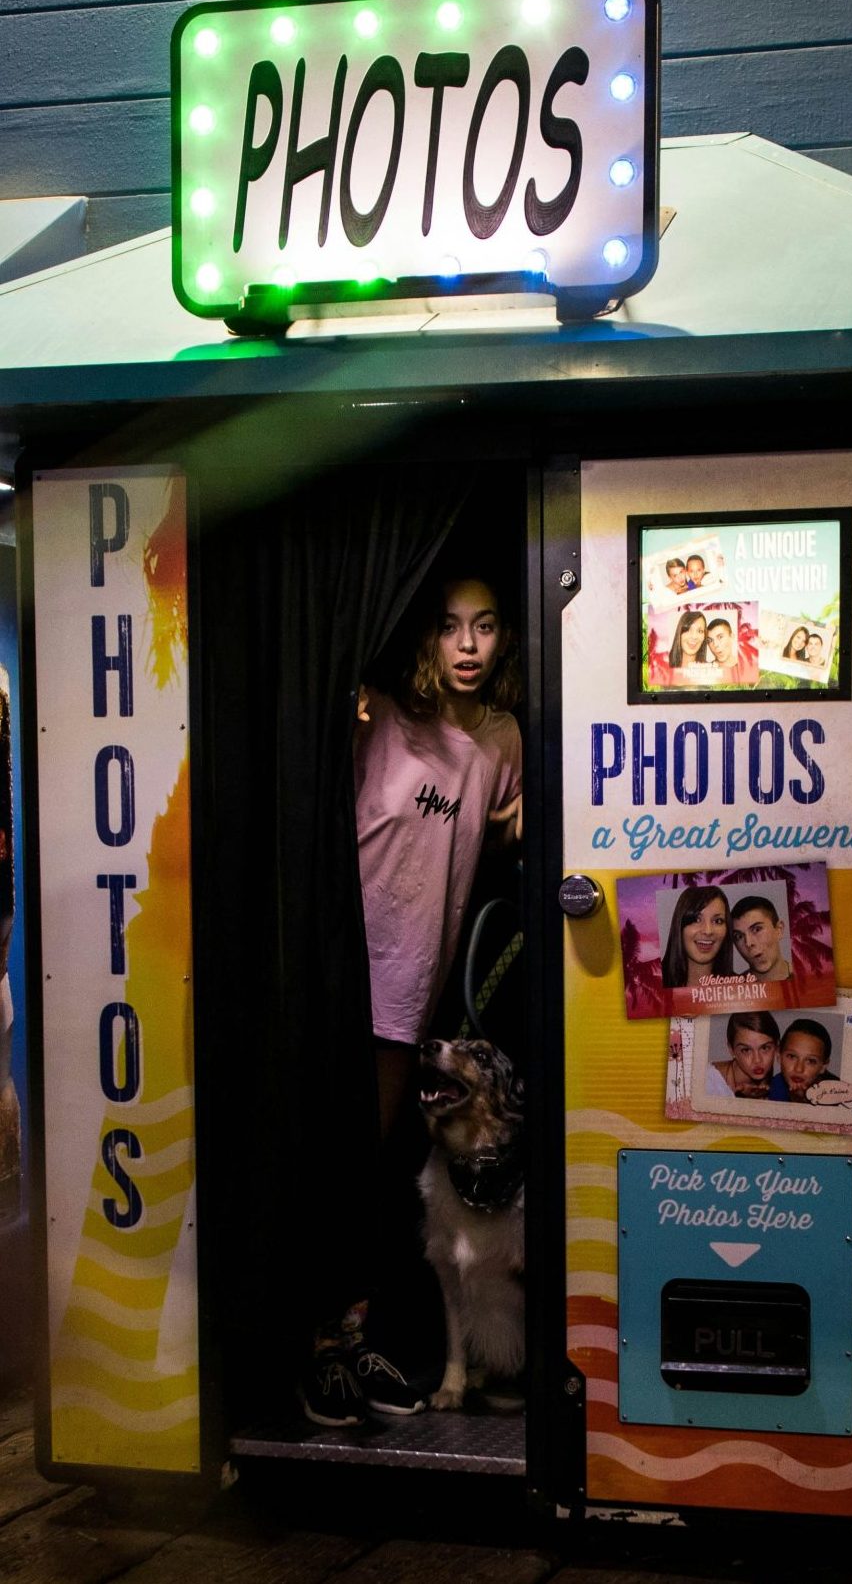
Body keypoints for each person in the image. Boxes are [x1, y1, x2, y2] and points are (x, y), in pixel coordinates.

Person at [303, 571, 522, 1429]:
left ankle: (356, 1338)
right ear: (424, 636)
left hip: (414, 995)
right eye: (450, 627)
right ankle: (324, 1350)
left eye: (487, 626)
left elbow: (509, 824)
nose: (469, 646)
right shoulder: (384, 717)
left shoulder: (502, 737)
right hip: (341, 979)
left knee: (381, 1173)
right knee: (336, 1165)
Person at [660, 885, 736, 989]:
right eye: (697, 919)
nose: (708, 931)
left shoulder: (743, 988)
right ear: (680, 925)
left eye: (717, 921)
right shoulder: (650, 985)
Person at [705, 1012, 780, 1099]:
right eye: (746, 1050)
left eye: (764, 1048)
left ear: (777, 1047)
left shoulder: (780, 1086)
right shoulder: (707, 1082)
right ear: (731, 1050)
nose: (757, 1060)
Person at [768, 1018, 838, 1103]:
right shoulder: (771, 1090)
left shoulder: (838, 1094)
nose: (799, 1069)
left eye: (811, 1061)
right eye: (792, 1056)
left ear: (823, 1066)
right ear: (779, 1055)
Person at [730, 895, 792, 982]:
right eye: (739, 936)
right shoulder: (733, 990)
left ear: (779, 930)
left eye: (757, 929)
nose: (748, 943)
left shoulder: (809, 977)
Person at [668, 610, 713, 679]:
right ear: (680, 633)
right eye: (688, 629)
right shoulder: (662, 666)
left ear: (704, 636)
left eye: (700, 631)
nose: (694, 637)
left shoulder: (710, 671)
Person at [706, 616, 751, 684]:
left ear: (732, 637)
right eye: (710, 640)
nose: (715, 644)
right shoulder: (706, 671)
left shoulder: (748, 668)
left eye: (720, 637)